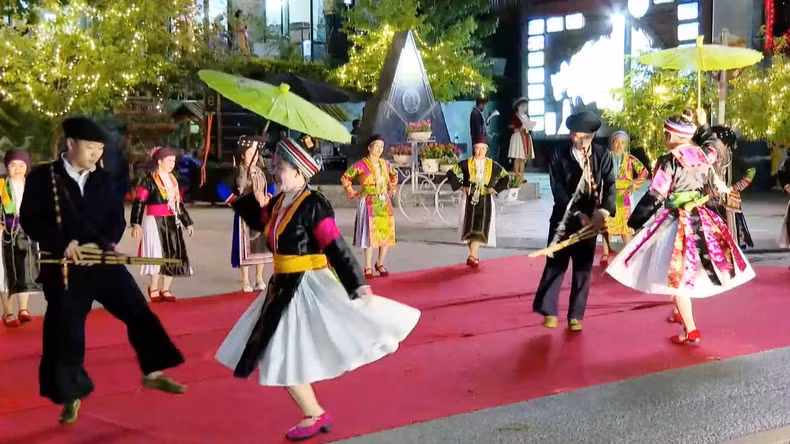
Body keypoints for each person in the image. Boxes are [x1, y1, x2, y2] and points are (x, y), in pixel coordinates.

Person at [215, 138, 419, 441]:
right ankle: (313, 412)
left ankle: (313, 413)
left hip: (303, 287)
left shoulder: (313, 204)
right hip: (281, 287)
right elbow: (257, 221)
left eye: (281, 167)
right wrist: (230, 189)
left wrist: (357, 284)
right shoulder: (278, 202)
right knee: (278, 353)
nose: (275, 171)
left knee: (277, 353)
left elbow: (334, 245)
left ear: (299, 172)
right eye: (274, 165)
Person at [19, 117, 185, 425]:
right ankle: (70, 396)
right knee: (66, 331)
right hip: (65, 265)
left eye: (99, 148)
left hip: (102, 261)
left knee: (137, 309)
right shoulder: (44, 177)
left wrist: (105, 242)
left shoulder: (103, 179)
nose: (96, 154)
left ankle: (154, 371)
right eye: (90, 147)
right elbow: (31, 219)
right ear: (71, 144)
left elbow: (116, 219)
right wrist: (63, 243)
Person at [606, 109, 755, 344]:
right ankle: (681, 317)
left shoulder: (669, 161)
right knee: (688, 272)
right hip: (703, 220)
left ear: (673, 136)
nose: (664, 139)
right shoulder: (704, 155)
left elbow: (655, 195)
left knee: (676, 279)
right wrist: (703, 123)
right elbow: (713, 144)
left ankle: (691, 330)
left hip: (678, 223)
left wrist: (635, 221)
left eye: (666, 134)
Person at [532, 111, 616, 332]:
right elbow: (557, 189)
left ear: (589, 136)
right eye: (572, 134)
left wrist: (604, 212)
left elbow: (610, 186)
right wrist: (577, 213)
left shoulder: (602, 155)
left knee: (583, 268)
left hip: (591, 220)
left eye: (579, 136)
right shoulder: (559, 154)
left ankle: (576, 315)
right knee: (555, 263)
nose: (574, 138)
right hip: (564, 216)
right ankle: (549, 310)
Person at [130, 146, 194, 302]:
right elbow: (139, 202)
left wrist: (187, 223)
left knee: (173, 252)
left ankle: (166, 289)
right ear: (159, 161)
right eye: (169, 160)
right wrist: (136, 224)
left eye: (173, 160)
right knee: (157, 254)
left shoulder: (173, 180)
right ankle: (154, 288)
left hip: (172, 221)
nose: (172, 164)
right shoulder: (148, 180)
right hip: (154, 221)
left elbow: (178, 204)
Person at [446, 136, 509, 268]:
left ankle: (472, 256)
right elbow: (451, 172)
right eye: (477, 148)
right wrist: (460, 186)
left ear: (487, 150)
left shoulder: (492, 165)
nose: (480, 152)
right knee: (468, 226)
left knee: (480, 226)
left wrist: (496, 189)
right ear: (474, 149)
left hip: (485, 199)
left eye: (483, 149)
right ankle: (473, 256)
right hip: (468, 199)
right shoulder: (466, 163)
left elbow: (505, 176)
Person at [341, 135, 398, 279]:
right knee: (369, 235)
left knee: (385, 234)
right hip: (368, 202)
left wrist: (392, 187)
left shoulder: (385, 164)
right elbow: (345, 177)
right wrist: (353, 193)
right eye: (377, 146)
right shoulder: (361, 165)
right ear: (369, 147)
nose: (379, 149)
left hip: (384, 202)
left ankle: (380, 263)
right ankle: (367, 265)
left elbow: (394, 175)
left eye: (382, 147)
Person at [0, 149, 39, 328]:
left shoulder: (33, 186)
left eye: (21, 165)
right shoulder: (1, 186)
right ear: (7, 166)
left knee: (26, 271)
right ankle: (8, 312)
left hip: (27, 236)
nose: (17, 169)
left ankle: (23, 309)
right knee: (5, 274)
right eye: (12, 165)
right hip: (4, 237)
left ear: (27, 167)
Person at [230, 136, 274, 291]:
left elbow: (272, 186)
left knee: (261, 246)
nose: (254, 157)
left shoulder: (262, 172)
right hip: (245, 214)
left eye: (256, 154)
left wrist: (267, 197)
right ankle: (245, 280)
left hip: (261, 212)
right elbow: (222, 188)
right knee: (245, 247)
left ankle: (259, 278)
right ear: (242, 155)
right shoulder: (238, 172)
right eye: (250, 154)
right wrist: (236, 200)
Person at [599, 131, 648, 266]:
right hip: (609, 195)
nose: (619, 145)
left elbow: (644, 172)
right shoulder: (605, 158)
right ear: (612, 143)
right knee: (606, 224)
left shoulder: (630, 159)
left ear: (626, 145)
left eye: (623, 142)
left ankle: (629, 253)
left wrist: (634, 185)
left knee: (626, 225)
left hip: (624, 197)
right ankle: (605, 253)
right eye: (616, 142)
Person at [706, 125, 755, 249]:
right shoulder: (707, 159)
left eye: (716, 145)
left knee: (730, 241)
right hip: (709, 205)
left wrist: (732, 188)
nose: (713, 148)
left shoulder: (735, 159)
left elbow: (751, 172)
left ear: (726, 145)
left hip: (728, 206)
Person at [507, 97, 535, 180]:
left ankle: (522, 176)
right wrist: (517, 128)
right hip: (518, 138)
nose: (524, 108)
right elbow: (510, 127)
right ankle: (516, 176)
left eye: (525, 106)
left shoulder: (526, 117)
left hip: (525, 137)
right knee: (517, 157)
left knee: (523, 158)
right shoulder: (515, 117)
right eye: (522, 106)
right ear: (518, 107)